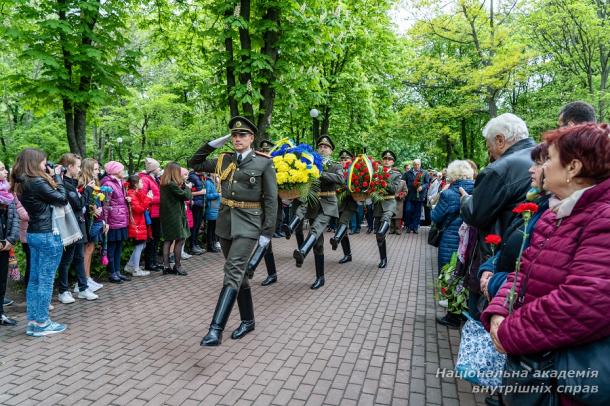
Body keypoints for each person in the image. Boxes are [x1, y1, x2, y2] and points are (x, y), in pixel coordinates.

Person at [481, 124, 610, 404]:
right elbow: (522, 271)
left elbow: (584, 301)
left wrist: (509, 332)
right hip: (534, 366)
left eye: (549, 159)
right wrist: (498, 311)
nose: (541, 167)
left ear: (573, 167)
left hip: (562, 381)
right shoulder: (556, 215)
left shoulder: (602, 218)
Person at [189, 116, 277, 346]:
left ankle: (215, 330)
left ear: (251, 138)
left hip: (249, 224)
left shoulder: (263, 163)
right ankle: (248, 321)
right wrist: (214, 143)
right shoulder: (224, 159)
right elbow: (194, 162)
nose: (238, 138)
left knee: (232, 271)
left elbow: (271, 200)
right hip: (226, 223)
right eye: (234, 135)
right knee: (239, 276)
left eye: (242, 135)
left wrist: (267, 232)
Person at [11, 148, 68, 336]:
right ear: (35, 163)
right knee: (46, 280)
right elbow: (62, 199)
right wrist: (58, 177)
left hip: (34, 234)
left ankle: (34, 321)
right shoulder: (36, 182)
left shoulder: (21, 183)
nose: (46, 165)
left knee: (35, 280)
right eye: (44, 162)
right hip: (47, 235)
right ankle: (42, 323)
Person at [285, 135, 344, 289]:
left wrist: (321, 174)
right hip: (313, 204)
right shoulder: (310, 162)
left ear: (331, 150)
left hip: (328, 205)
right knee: (318, 244)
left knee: (315, 229)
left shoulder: (335, 165)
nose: (322, 148)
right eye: (320, 146)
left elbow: (340, 179)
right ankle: (320, 277)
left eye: (326, 147)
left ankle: (303, 251)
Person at [431, 160, 475, 328]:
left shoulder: (448, 193)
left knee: (450, 274)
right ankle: (464, 311)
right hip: (471, 239)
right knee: (465, 274)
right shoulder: (479, 189)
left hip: (451, 238)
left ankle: (453, 315)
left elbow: (435, 216)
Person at [56, 153, 98, 304]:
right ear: (70, 167)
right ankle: (63, 290)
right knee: (66, 260)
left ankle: (82, 288)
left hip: (79, 225)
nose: (80, 170)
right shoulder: (63, 184)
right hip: (69, 227)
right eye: (78, 166)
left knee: (79, 257)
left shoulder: (73, 182)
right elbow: (79, 205)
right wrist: (88, 190)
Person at [245, 139, 280, 287]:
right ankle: (269, 273)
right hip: (256, 208)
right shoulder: (256, 164)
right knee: (261, 241)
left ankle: (252, 267)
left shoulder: (279, 166)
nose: (265, 153)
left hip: (271, 208)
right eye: (263, 150)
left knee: (265, 240)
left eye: (268, 151)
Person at [101, 161, 131, 284]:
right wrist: (106, 222)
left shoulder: (120, 183)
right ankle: (112, 272)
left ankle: (117, 271)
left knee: (119, 247)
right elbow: (105, 205)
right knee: (112, 248)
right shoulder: (108, 184)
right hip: (113, 221)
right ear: (115, 171)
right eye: (121, 169)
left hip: (121, 219)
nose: (123, 172)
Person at [159, 162, 192, 275]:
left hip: (167, 215)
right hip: (175, 215)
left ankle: (166, 266)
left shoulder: (164, 183)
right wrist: (187, 187)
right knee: (180, 238)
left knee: (168, 240)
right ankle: (177, 266)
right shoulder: (172, 185)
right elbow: (186, 196)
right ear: (174, 172)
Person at [374, 150, 402, 268]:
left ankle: (382, 231)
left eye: (389, 159)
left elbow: (394, 189)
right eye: (384, 158)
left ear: (393, 162)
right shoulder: (376, 172)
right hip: (378, 203)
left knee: (385, 221)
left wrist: (382, 180)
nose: (386, 160)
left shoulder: (396, 174)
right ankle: (383, 259)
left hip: (389, 202)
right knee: (379, 236)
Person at [79, 158, 104, 292]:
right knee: (86, 250)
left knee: (90, 249)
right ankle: (82, 280)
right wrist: (92, 209)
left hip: (94, 220)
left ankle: (87, 277)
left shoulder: (95, 183)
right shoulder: (83, 184)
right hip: (87, 221)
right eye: (95, 169)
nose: (98, 171)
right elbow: (82, 202)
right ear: (88, 169)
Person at [0, 161, 20, 326]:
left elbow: (14, 218)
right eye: (1, 169)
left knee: (2, 282)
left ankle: (1, 314)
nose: (6, 171)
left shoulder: (7, 192)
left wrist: (10, 240)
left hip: (5, 244)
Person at [330, 149, 356, 264]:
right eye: (342, 159)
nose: (344, 161)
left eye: (347, 159)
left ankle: (336, 238)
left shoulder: (355, 171)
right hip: (338, 203)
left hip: (350, 202)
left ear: (351, 160)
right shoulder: (336, 170)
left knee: (343, 222)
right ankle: (347, 254)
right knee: (342, 228)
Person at [139, 158, 164, 272]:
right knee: (152, 238)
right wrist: (162, 199)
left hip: (157, 212)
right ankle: (149, 263)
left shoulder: (155, 179)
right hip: (152, 213)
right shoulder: (145, 180)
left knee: (156, 237)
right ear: (153, 169)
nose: (160, 169)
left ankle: (154, 261)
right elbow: (144, 197)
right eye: (158, 167)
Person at [125, 175, 152, 277]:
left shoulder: (137, 193)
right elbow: (139, 209)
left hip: (139, 223)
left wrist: (148, 197)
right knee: (139, 245)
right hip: (136, 224)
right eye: (141, 182)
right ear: (136, 184)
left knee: (142, 244)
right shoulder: (131, 194)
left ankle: (131, 265)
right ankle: (135, 269)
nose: (143, 184)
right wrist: (148, 199)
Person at [403, 158, 430, 234]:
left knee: (417, 212)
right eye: (415, 164)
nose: (416, 166)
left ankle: (415, 227)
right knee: (408, 210)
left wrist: (422, 187)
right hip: (409, 195)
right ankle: (409, 225)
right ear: (413, 165)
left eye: (418, 164)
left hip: (419, 196)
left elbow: (427, 183)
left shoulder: (425, 172)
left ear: (420, 164)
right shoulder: (408, 173)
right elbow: (403, 182)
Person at [187, 169, 206, 255]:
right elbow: (188, 192)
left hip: (201, 203)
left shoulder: (199, 177)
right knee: (194, 226)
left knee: (198, 225)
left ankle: (195, 244)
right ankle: (192, 246)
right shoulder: (192, 177)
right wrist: (201, 192)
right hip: (195, 205)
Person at [204, 173, 220, 252]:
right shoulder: (208, 182)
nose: (217, 174)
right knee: (210, 228)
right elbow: (206, 196)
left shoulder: (215, 182)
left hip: (216, 208)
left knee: (214, 228)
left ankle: (214, 244)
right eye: (216, 173)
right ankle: (210, 246)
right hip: (211, 208)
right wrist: (217, 194)